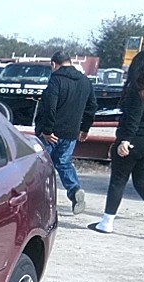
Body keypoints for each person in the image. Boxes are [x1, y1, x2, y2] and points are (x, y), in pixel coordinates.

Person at [90, 49, 144, 239]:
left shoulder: (138, 87)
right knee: (143, 181)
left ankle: (106, 222)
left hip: (135, 140)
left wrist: (125, 140)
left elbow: (133, 117)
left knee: (118, 180)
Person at [35, 50, 97, 214]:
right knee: (63, 162)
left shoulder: (55, 81)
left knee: (43, 165)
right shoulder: (85, 81)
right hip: (71, 133)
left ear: (54, 64)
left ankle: (42, 201)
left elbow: (50, 106)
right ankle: (75, 189)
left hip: (51, 134)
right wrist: (85, 128)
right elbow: (92, 107)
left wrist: (47, 130)